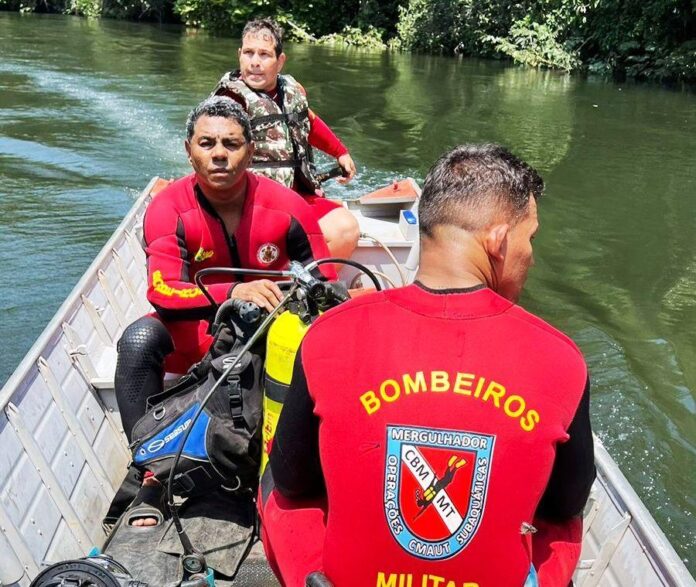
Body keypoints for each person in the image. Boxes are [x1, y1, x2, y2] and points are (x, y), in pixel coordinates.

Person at [263, 144, 596, 586]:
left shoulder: (329, 333)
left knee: (274, 485)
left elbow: (291, 481)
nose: (531, 256)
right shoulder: (561, 358)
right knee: (564, 530)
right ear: (498, 241)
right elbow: (566, 504)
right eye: (529, 238)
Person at [113, 96, 335, 526]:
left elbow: (323, 280)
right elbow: (163, 294)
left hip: (266, 339)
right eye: (207, 142)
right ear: (189, 149)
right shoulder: (168, 208)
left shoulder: (288, 206)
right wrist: (235, 291)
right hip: (193, 337)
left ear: (250, 151)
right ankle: (150, 477)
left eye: (231, 144)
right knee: (138, 339)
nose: (219, 153)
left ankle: (297, 469)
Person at [212, 18, 360, 260]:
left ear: (280, 61)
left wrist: (340, 152)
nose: (255, 62)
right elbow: (213, 155)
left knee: (346, 228)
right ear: (239, 55)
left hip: (297, 197)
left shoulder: (292, 90)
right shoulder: (230, 101)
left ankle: (308, 291)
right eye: (248, 53)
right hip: (250, 205)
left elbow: (308, 121)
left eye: (264, 55)